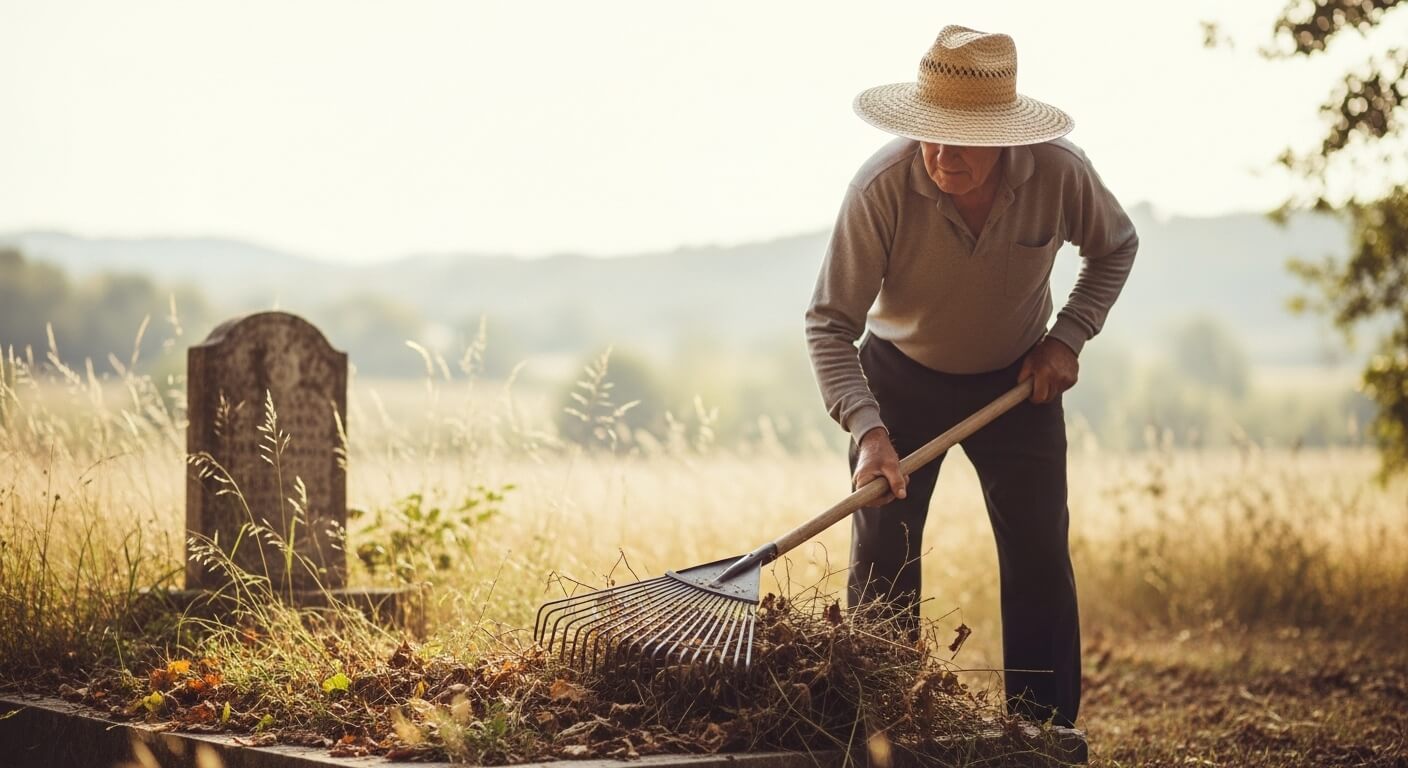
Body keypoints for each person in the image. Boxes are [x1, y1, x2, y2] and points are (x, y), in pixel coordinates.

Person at [805, 25, 1138, 729]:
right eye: (928, 132)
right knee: (882, 562)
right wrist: (869, 433)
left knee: (1040, 557)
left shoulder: (1059, 173)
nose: (940, 153)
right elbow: (829, 324)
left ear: (1006, 136)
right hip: (897, 385)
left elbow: (1115, 247)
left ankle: (1043, 733)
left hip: (1019, 381)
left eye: (960, 137)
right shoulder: (880, 187)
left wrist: (1067, 339)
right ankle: (884, 730)